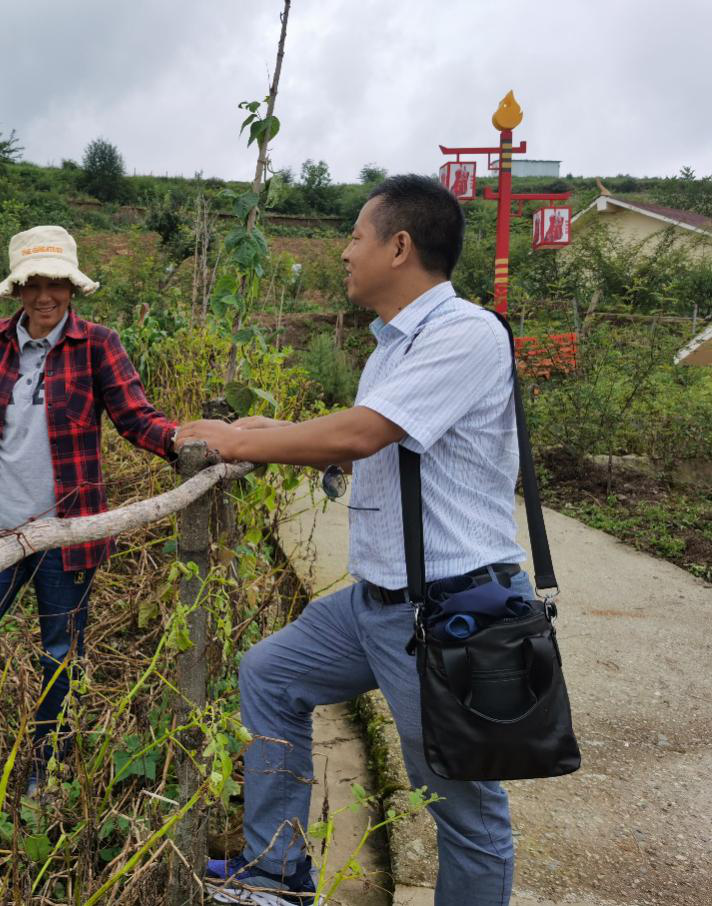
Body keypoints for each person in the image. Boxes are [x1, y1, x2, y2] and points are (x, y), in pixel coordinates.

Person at [176, 175, 532, 906]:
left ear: (399, 247)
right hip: (378, 606)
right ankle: (276, 874)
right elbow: (357, 445)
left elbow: (366, 431)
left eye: (356, 235)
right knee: (271, 675)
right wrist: (253, 432)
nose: (344, 251)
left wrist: (247, 441)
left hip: (449, 612)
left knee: (463, 809)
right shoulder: (391, 349)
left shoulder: (465, 332)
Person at [0, 225, 179, 832]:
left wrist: (187, 444)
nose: (46, 295)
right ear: (18, 288)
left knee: (58, 654)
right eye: (33, 283)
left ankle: (46, 772)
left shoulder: (98, 344)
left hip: (63, 537)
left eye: (57, 283)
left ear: (73, 287)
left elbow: (134, 417)